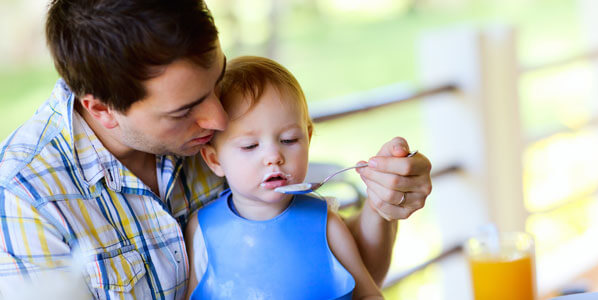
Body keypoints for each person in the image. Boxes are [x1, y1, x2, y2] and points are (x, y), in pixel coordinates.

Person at [0, 0, 432, 299]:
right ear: (102, 109)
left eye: (216, 82)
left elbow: (334, 273)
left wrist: (385, 204)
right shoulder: (29, 201)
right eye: (186, 109)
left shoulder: (225, 129)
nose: (219, 120)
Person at [185, 56, 383, 300]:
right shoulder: (203, 230)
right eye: (250, 145)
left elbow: (368, 294)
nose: (273, 156)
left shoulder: (326, 224)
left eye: (289, 140)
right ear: (215, 160)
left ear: (308, 140)